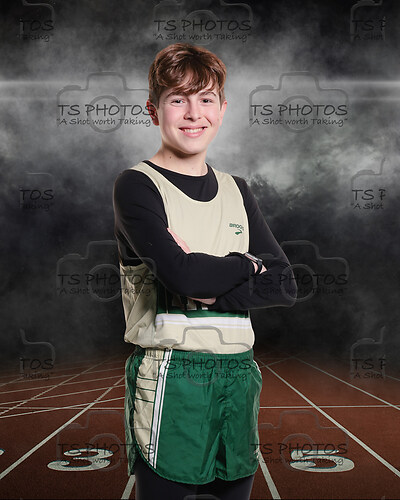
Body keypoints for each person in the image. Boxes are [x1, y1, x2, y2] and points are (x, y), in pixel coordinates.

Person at [113, 42, 297, 500]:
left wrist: (211, 284)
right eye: (178, 99)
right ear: (154, 110)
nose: (194, 113)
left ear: (222, 109)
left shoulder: (238, 190)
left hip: (239, 373)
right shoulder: (137, 186)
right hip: (173, 375)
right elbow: (184, 278)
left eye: (206, 99)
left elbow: (285, 283)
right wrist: (248, 264)